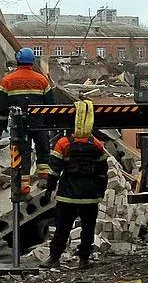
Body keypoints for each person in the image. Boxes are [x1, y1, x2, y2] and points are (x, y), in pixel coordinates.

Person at [44, 100, 108, 269]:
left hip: (67, 196)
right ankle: (84, 260)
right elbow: (103, 172)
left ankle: (54, 258)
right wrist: (100, 191)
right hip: (90, 197)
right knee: (88, 229)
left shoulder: (63, 143)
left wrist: (49, 190)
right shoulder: (97, 145)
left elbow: (54, 171)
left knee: (62, 228)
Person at [0, 48, 54, 194]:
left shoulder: (7, 80)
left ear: (18, 61)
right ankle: (44, 178)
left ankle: (23, 185)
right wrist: (49, 124)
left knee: (23, 152)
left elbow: (1, 107)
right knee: (43, 148)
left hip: (19, 123)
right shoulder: (42, 80)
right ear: (32, 62)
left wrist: (1, 125)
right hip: (38, 122)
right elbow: (50, 104)